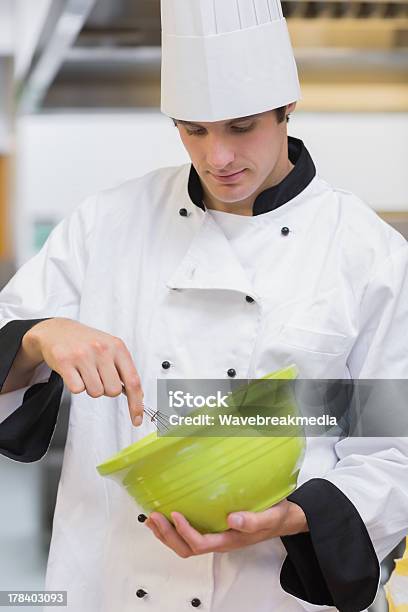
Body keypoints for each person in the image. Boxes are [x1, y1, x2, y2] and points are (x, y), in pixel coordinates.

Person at [1, 0, 408, 610]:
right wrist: (39, 337)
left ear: (285, 110)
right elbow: (14, 345)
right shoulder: (107, 223)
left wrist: (292, 517)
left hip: (269, 591)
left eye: (241, 127)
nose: (217, 157)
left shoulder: (367, 252)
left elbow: (395, 453)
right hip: (111, 583)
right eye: (195, 130)